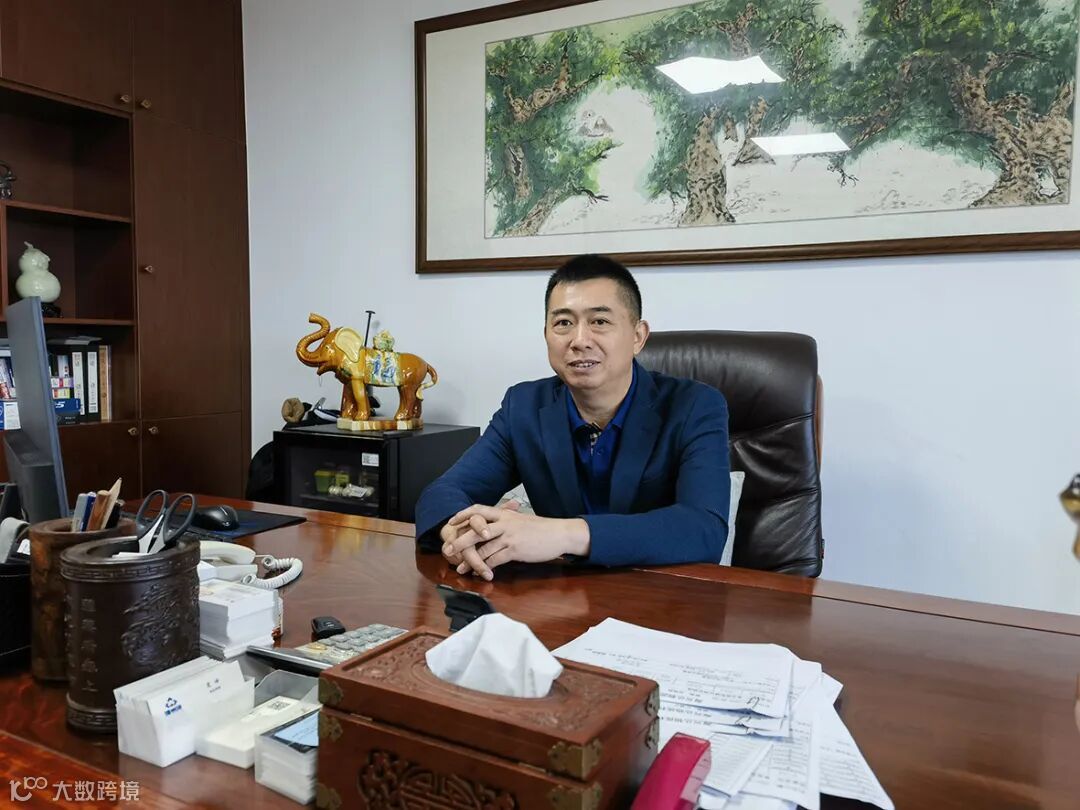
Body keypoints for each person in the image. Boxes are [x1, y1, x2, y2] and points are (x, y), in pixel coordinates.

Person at [415, 254, 730, 579]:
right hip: (559, 595)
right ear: (546, 334)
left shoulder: (694, 406)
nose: (579, 341)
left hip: (661, 595)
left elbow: (704, 528)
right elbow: (443, 492)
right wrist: (459, 530)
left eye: (600, 322)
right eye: (563, 323)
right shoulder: (523, 407)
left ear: (638, 336)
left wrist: (562, 534)